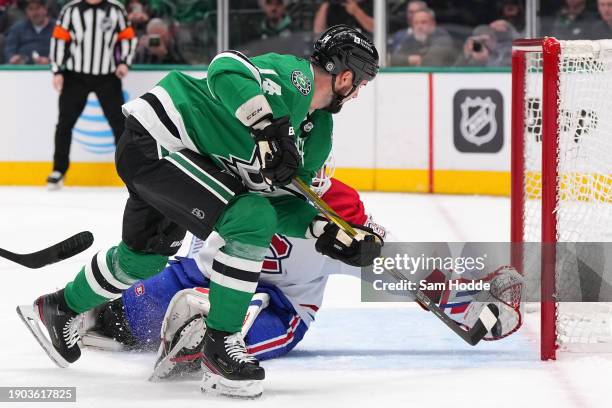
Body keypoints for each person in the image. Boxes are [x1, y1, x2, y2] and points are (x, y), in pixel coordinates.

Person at [19, 25, 381, 399]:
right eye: (361, 84)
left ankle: (59, 306)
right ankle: (220, 346)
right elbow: (225, 67)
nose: (357, 94)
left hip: (179, 163)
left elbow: (281, 201)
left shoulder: (318, 134)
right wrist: (266, 126)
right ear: (347, 76)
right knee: (251, 218)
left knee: (143, 259)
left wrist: (323, 231)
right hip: (163, 138)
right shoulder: (297, 79)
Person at [77, 176, 521, 380]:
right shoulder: (265, 194)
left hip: (281, 306)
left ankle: (200, 338)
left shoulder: (348, 242)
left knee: (240, 322)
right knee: (115, 320)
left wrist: (474, 302)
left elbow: (421, 276)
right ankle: (189, 324)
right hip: (201, 275)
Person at [46, 0, 137, 190]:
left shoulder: (115, 9)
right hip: (75, 76)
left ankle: (130, 172)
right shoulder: (70, 10)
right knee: (65, 123)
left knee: (120, 124)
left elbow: (128, 37)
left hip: (107, 76)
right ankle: (59, 170)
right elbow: (59, 40)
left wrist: (125, 63)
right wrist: (57, 71)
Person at [388, 8, 455, 67]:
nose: (419, 26)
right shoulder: (410, 40)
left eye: (423, 22)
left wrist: (412, 60)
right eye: (416, 23)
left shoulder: (442, 38)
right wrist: (408, 60)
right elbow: (392, 60)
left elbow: (431, 62)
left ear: (433, 24)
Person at [3, 0, 54, 65]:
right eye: (31, 9)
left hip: (50, 70)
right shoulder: (17, 28)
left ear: (45, 9)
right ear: (26, 12)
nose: (35, 13)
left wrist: (50, 61)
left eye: (38, 8)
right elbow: (9, 50)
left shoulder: (57, 28)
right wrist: (12, 58)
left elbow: (62, 51)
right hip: (22, 70)